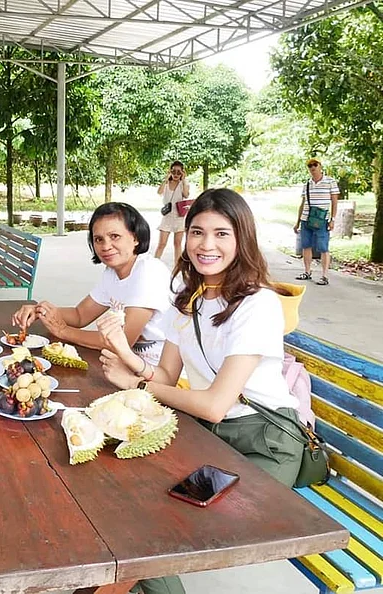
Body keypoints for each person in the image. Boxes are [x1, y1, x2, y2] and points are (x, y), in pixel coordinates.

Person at [99, 189, 304, 594]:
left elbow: (213, 404)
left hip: (263, 444)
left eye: (221, 234)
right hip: (211, 439)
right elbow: (168, 377)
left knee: (154, 528)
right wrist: (126, 355)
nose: (206, 245)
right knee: (118, 495)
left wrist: (138, 383)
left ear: (242, 238)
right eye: (196, 232)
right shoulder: (187, 297)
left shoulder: (257, 305)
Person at [12, 202, 171, 363]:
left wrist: (64, 331)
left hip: (163, 376)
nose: (106, 246)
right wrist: (41, 310)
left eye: (114, 236)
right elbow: (80, 315)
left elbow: (123, 341)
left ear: (135, 237)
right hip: (130, 366)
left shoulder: (149, 271)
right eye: (98, 239)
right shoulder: (112, 273)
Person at [294, 158, 338, 286]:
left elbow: (334, 201)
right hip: (306, 218)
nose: (312, 168)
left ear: (320, 166)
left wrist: (332, 219)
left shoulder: (330, 182)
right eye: (310, 166)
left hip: (321, 219)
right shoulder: (307, 184)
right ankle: (307, 271)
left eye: (315, 165)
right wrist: (297, 222)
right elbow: (303, 204)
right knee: (306, 246)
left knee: (323, 247)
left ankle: (324, 275)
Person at [155, 160, 190, 261]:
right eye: (174, 171)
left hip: (179, 216)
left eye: (179, 172)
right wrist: (166, 178)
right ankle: (154, 264)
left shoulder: (183, 184)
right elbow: (159, 192)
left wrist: (183, 180)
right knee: (161, 244)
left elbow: (186, 194)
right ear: (170, 171)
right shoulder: (166, 184)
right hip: (167, 217)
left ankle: (177, 268)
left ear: (182, 173)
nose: (176, 174)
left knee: (177, 244)